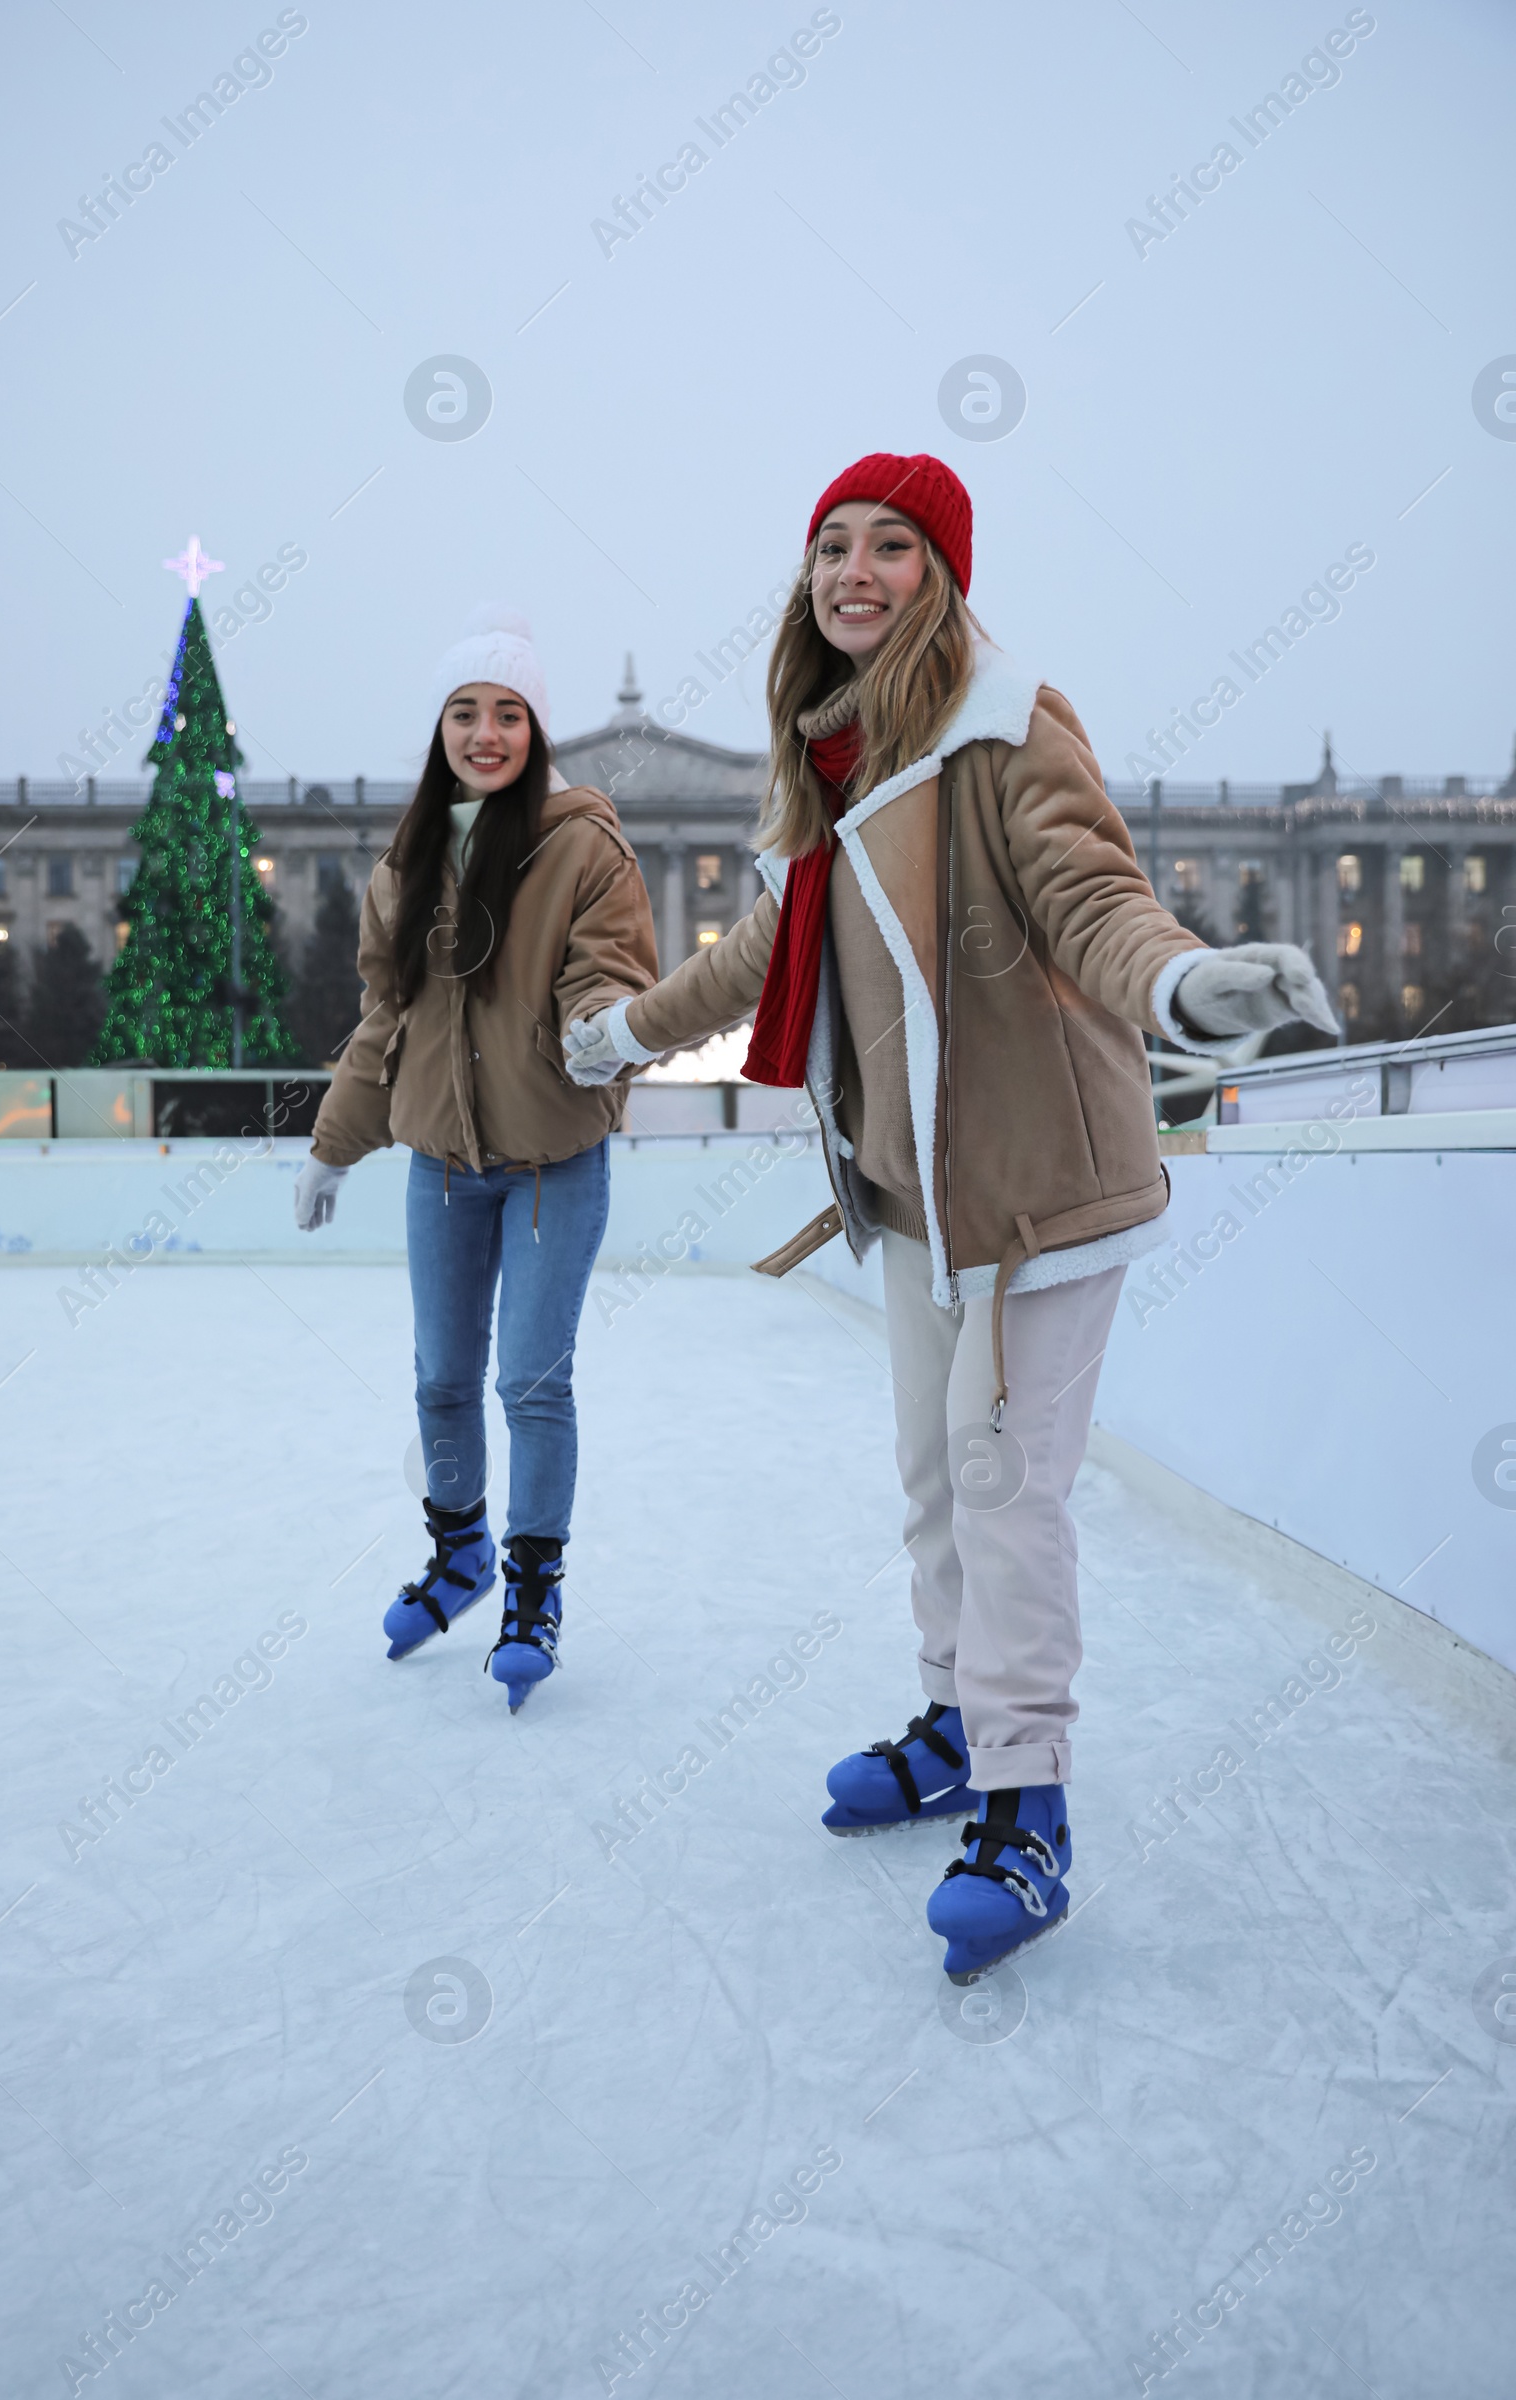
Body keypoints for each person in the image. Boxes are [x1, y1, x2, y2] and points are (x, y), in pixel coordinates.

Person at [564, 455, 1334, 1978]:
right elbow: (749, 966)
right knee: (934, 1482)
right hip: (913, 1195)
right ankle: (955, 1717)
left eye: (892, 547)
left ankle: (1029, 1800)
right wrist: (620, 1035)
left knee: (1003, 1490)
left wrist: (1185, 985)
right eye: (833, 546)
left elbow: (1090, 896)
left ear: (943, 574)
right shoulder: (830, 766)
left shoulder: (1007, 727)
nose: (855, 569)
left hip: (1031, 1192)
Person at [294, 605, 657, 1709]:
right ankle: (459, 1553)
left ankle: (532, 1589)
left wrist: (601, 1032)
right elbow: (383, 1020)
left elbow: (609, 974)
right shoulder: (404, 866)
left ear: (535, 732)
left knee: (530, 1383)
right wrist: (332, 1147)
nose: (485, 732)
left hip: (552, 1163)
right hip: (440, 1169)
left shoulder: (582, 847)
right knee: (441, 1380)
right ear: (441, 729)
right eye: (465, 713)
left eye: (507, 714)